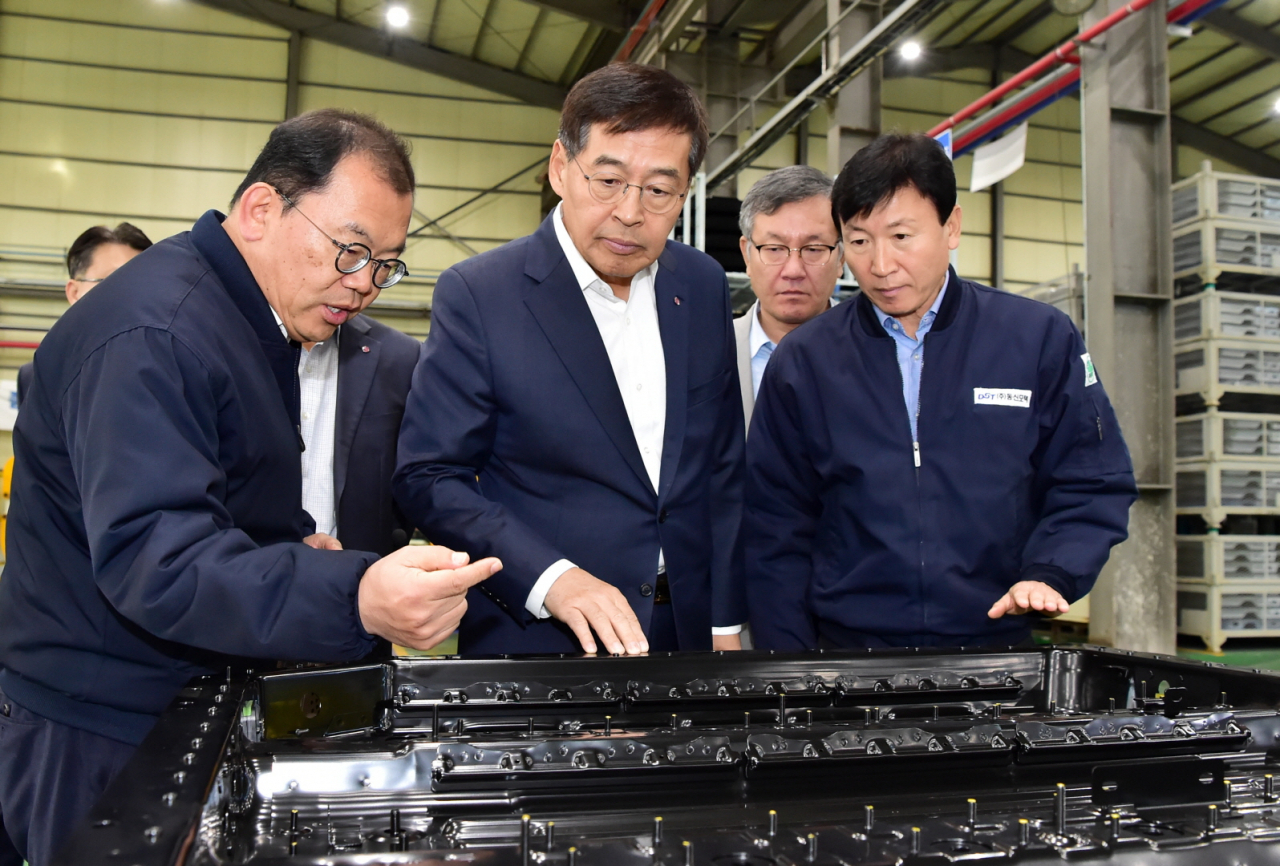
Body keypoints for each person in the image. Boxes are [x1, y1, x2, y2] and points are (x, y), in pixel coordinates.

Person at [0, 109, 500, 866]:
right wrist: (355, 591)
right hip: (97, 728)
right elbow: (158, 561)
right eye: (350, 250)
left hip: (171, 695)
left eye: (385, 263)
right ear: (262, 208)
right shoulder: (158, 335)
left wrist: (298, 545)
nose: (364, 285)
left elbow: (222, 488)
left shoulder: (242, 319)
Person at [395, 63, 746, 657]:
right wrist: (551, 578)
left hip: (682, 634)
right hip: (542, 639)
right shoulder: (481, 295)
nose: (631, 212)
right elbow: (430, 477)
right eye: (607, 180)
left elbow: (721, 467)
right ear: (562, 166)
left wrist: (724, 622)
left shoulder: (702, 283)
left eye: (659, 191)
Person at [745, 133, 1137, 650]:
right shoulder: (806, 360)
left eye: (902, 236)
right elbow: (776, 524)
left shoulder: (1035, 337)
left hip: (997, 645)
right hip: (848, 655)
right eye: (859, 241)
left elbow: (1092, 478)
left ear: (951, 227)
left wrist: (1052, 570)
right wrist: (791, 666)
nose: (881, 265)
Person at [304, 312, 421, 559]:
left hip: (360, 577)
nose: (361, 284)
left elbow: (418, 473)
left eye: (384, 271)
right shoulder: (229, 340)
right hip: (238, 574)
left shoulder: (401, 357)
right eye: (346, 268)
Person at [733, 166, 840, 427]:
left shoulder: (878, 357)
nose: (793, 270)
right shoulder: (706, 354)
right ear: (747, 254)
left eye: (814, 249)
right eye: (774, 249)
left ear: (842, 256)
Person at [17, 222, 152, 405]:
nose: (129, 293)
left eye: (140, 283)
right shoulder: (37, 377)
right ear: (74, 292)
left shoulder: (172, 374)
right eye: (112, 282)